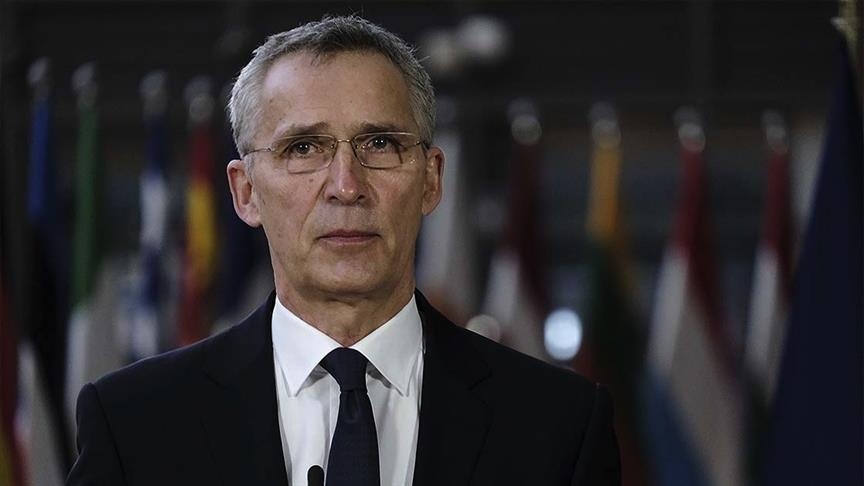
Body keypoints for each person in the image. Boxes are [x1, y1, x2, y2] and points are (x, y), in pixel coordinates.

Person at [66, 15, 620, 486]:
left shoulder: (560, 425)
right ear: (246, 192)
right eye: (304, 147)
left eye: (380, 143)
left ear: (431, 180)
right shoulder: (133, 424)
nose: (346, 186)